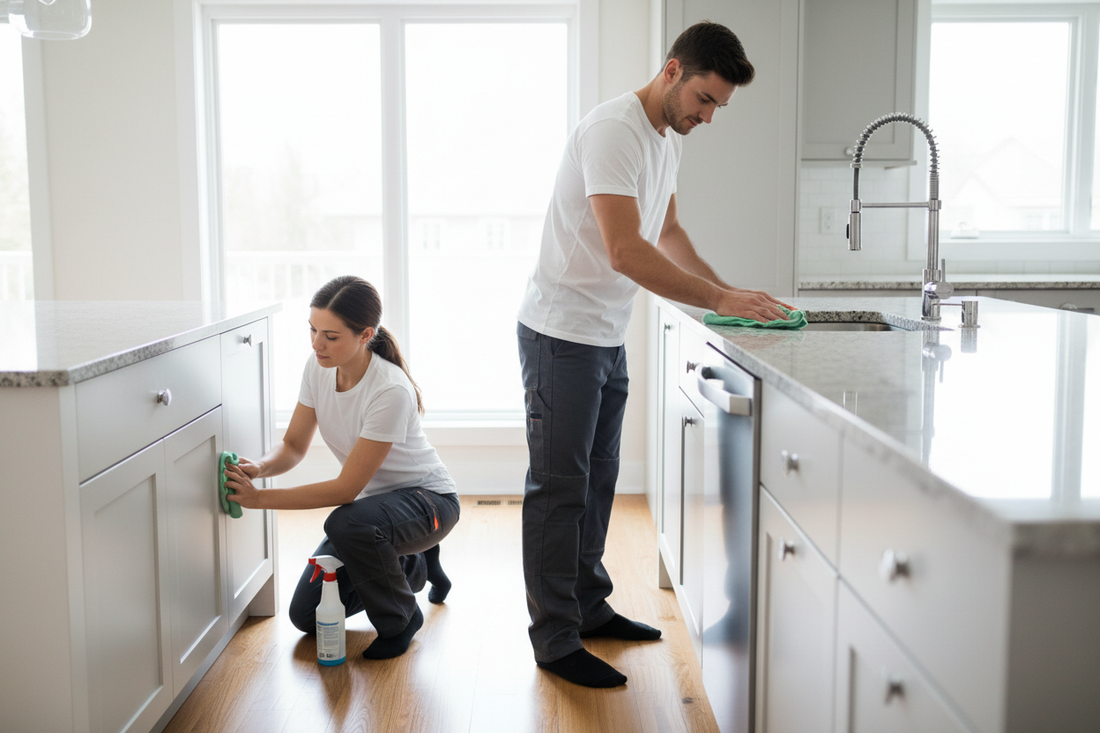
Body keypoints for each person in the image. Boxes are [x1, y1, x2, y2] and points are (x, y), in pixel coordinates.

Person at [516, 21, 794, 688]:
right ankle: (553, 637)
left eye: (717, 107)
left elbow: (666, 232)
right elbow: (625, 250)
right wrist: (720, 298)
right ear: (673, 71)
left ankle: (586, 605)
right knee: (560, 490)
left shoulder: (666, 138)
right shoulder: (614, 131)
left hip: (605, 334)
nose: (708, 116)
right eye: (704, 99)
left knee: (598, 479)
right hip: (560, 334)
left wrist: (728, 294)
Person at [225, 275, 460, 660]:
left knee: (345, 521)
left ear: (366, 334)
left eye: (331, 336)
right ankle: (414, 562)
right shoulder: (318, 367)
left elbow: (344, 491)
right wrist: (260, 468)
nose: (317, 344)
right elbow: (293, 445)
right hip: (373, 518)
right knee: (306, 616)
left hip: (429, 503)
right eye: (313, 330)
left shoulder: (390, 390)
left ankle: (402, 619)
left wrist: (258, 499)